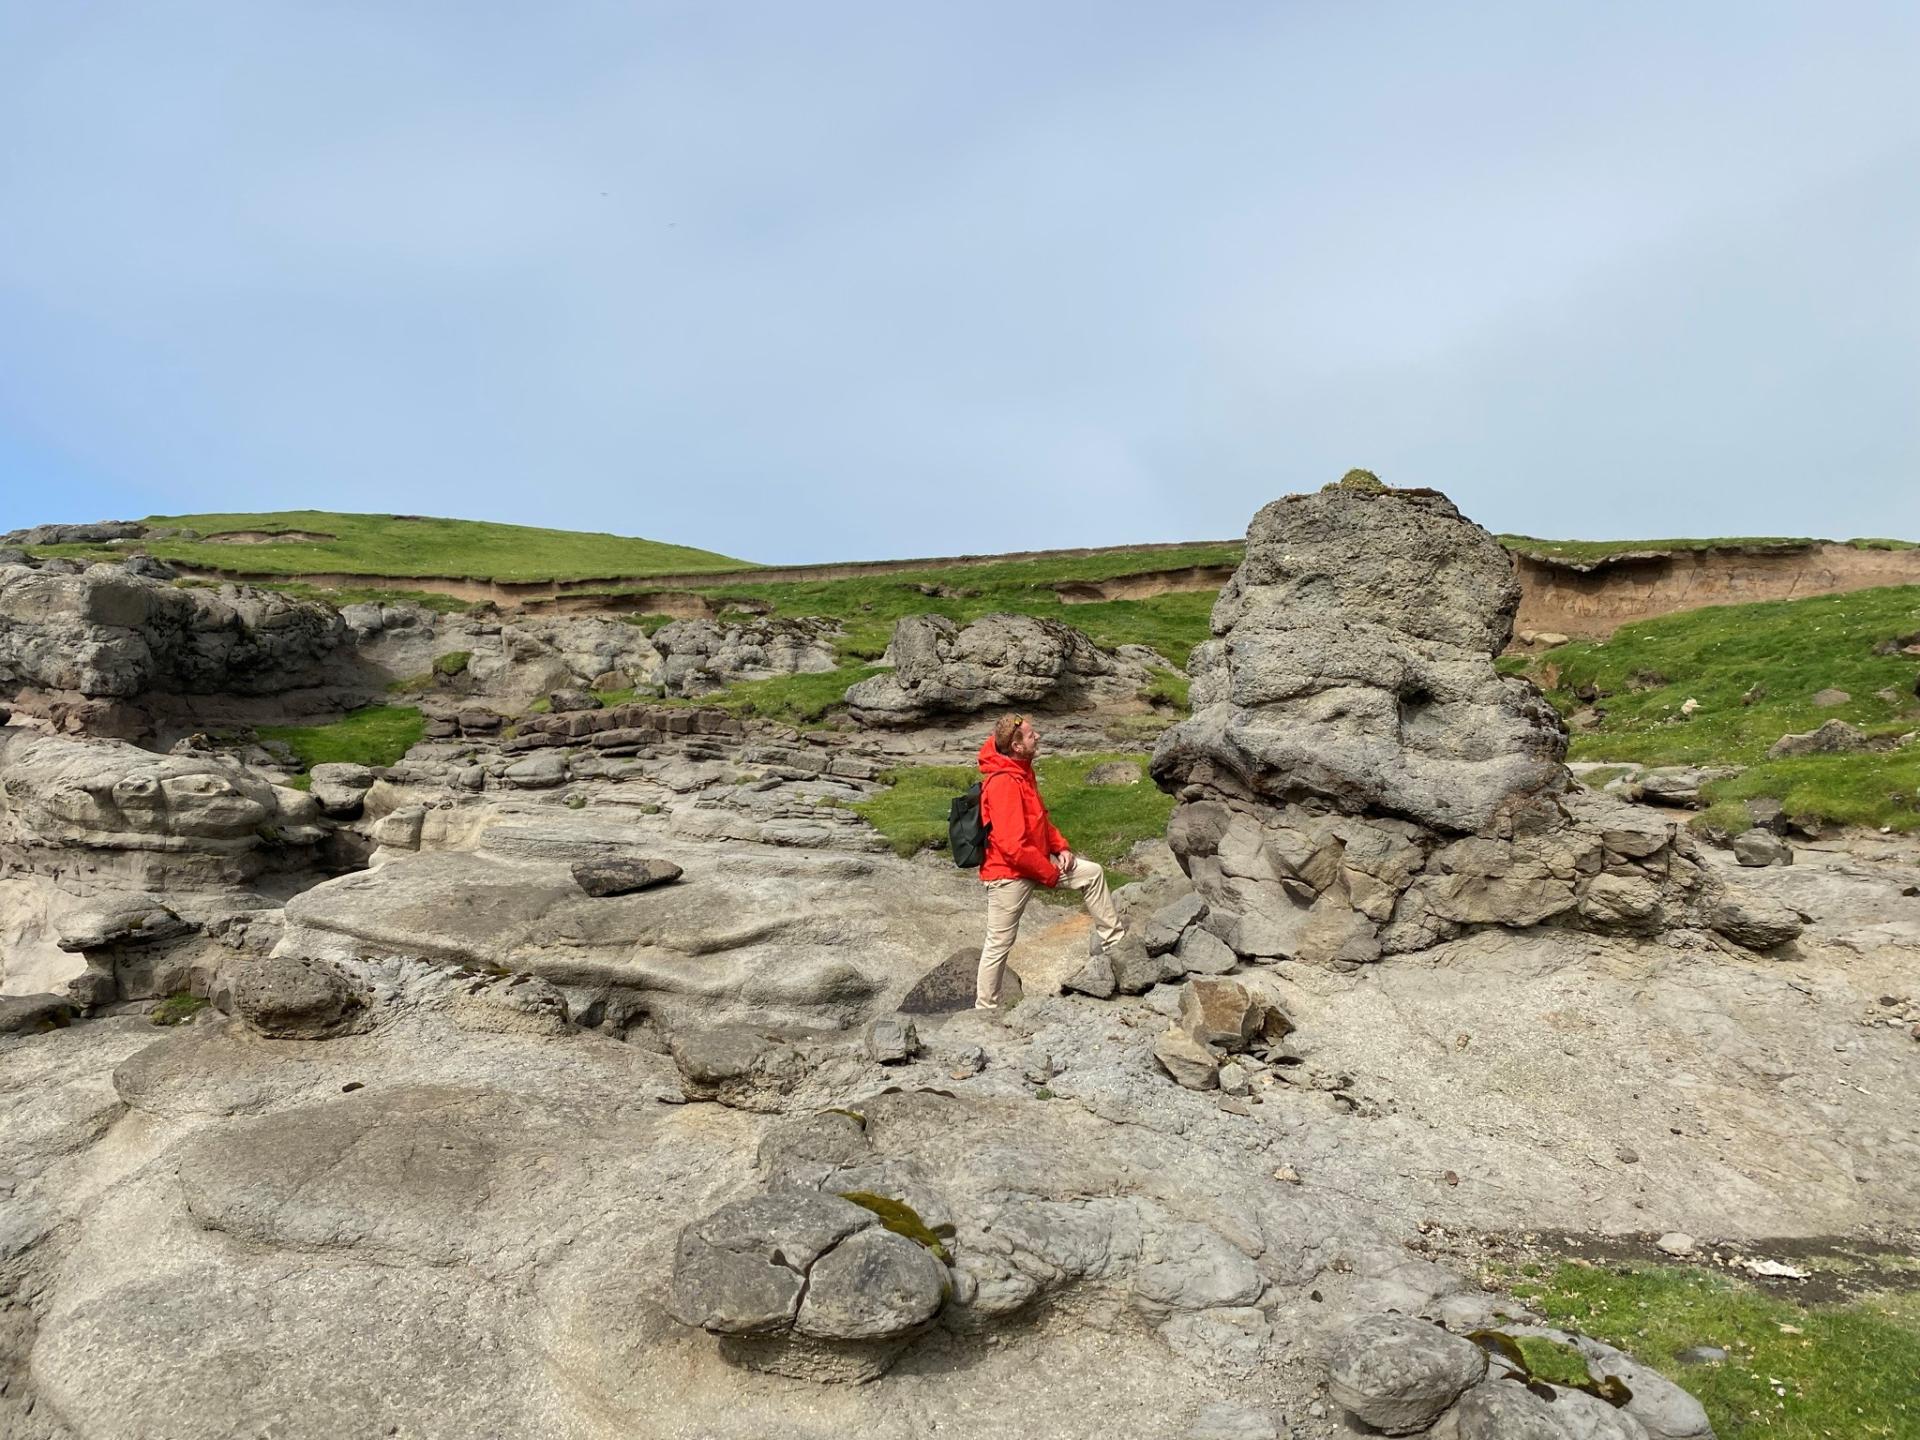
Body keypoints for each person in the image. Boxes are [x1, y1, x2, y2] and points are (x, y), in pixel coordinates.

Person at [974, 713, 1127, 1010]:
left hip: (1036, 864)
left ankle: (1115, 944)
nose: (1038, 737)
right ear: (1016, 746)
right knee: (998, 944)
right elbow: (1012, 847)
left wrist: (1060, 847)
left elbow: (1039, 820)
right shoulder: (1003, 782)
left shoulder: (1021, 770)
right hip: (1007, 875)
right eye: (1032, 735)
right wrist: (1050, 873)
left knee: (1092, 873)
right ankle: (985, 1010)